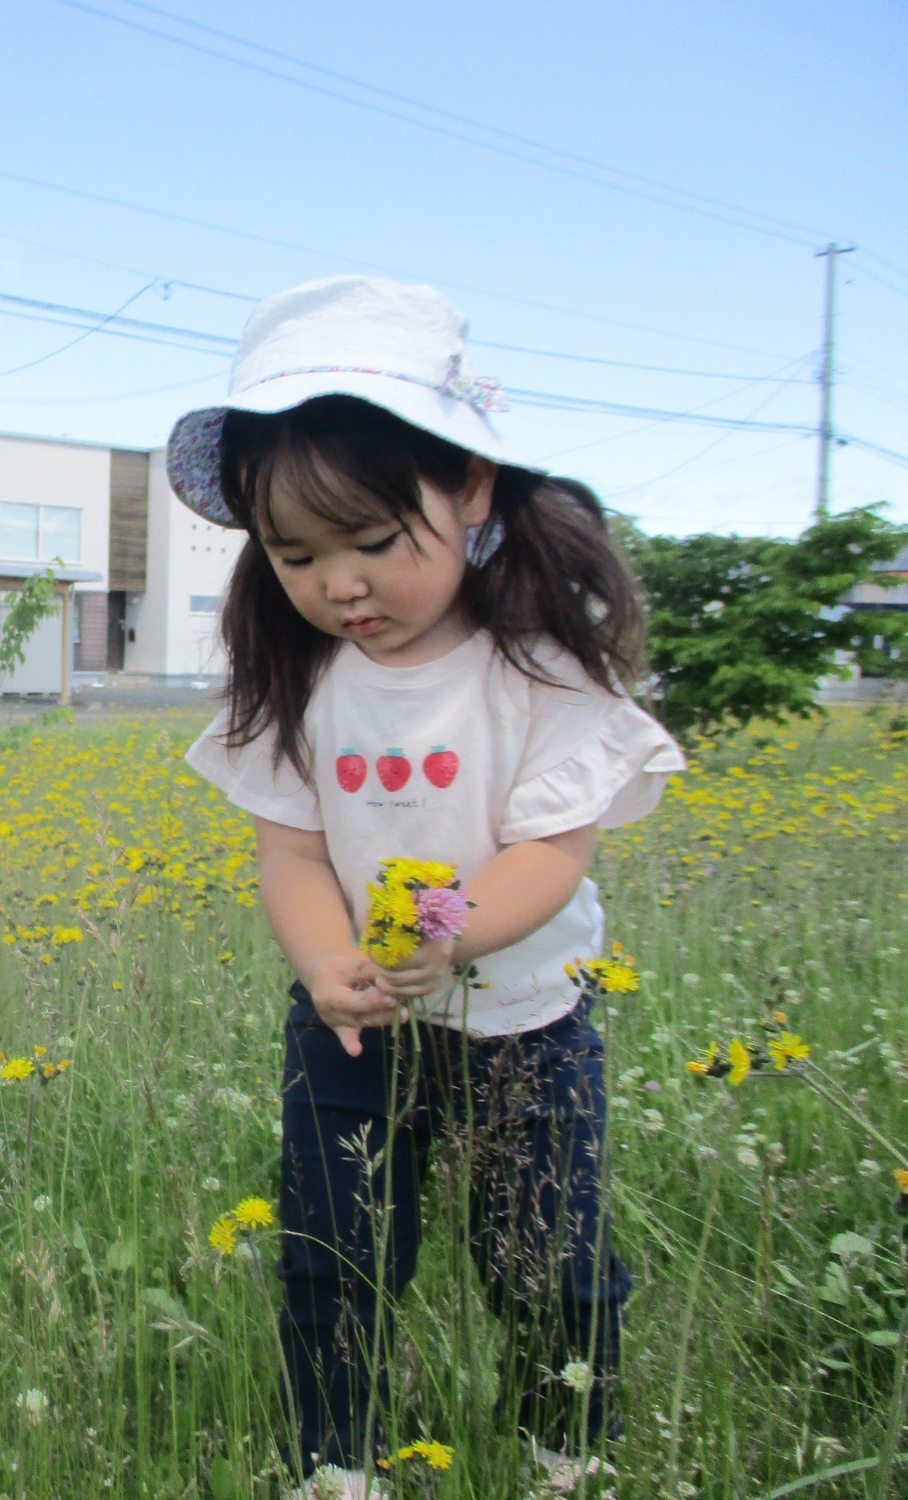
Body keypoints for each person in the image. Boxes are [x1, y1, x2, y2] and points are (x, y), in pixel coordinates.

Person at [173, 276, 685, 1498]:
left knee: (544, 1265)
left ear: (468, 490)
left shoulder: (537, 673)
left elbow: (549, 857)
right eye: (294, 554)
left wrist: (440, 935)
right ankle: (336, 1464)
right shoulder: (299, 681)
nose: (337, 585)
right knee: (329, 1256)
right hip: (352, 1026)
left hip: (527, 1025)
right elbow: (290, 852)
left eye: (370, 542)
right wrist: (322, 965)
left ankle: (568, 1448)